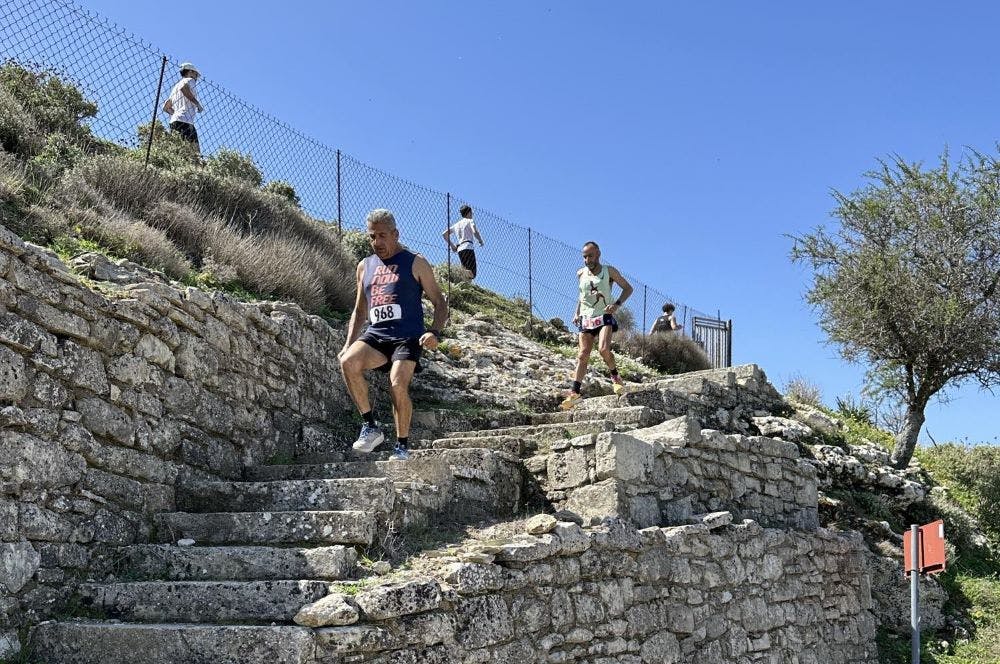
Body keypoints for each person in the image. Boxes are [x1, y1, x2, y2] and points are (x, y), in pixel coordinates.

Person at [339, 209, 448, 460]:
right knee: (347, 362)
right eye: (372, 236)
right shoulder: (364, 266)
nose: (377, 242)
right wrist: (348, 343)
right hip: (376, 335)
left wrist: (434, 332)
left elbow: (440, 304)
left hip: (407, 336)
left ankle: (402, 446)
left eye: (382, 236)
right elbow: (359, 310)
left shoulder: (416, 262)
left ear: (395, 234)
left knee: (397, 384)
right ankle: (370, 426)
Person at [561, 241, 634, 410]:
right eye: (584, 257)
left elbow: (628, 288)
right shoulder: (580, 274)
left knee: (603, 349)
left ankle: (615, 377)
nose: (587, 260)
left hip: (604, 316)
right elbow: (582, 296)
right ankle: (575, 393)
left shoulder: (609, 271)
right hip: (586, 318)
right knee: (582, 354)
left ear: (598, 254)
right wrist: (576, 312)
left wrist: (617, 305)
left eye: (590, 256)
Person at [162, 62, 204, 152]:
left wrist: (175, 113)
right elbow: (184, 88)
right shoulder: (189, 80)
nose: (196, 77)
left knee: (178, 150)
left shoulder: (175, 87)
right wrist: (198, 104)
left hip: (175, 121)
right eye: (196, 74)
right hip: (185, 121)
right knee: (194, 152)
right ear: (190, 72)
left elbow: (166, 107)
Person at [442, 204, 485, 279]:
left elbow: (444, 234)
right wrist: (480, 241)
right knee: (473, 273)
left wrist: (452, 246)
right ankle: (457, 271)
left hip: (460, 249)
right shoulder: (470, 221)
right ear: (469, 213)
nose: (472, 214)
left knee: (467, 272)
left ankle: (463, 277)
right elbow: (475, 231)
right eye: (471, 213)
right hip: (468, 246)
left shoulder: (457, 224)